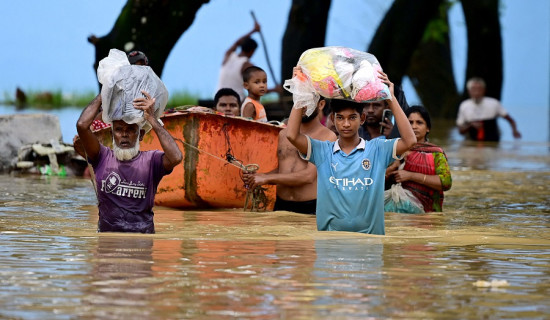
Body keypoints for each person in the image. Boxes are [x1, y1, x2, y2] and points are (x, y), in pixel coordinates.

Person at [286, 68, 416, 234]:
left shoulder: (377, 149)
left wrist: (390, 99)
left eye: (352, 118)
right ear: (332, 119)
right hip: (330, 246)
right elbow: (291, 135)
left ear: (361, 119)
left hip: (370, 244)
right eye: (340, 118)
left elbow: (410, 141)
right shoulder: (323, 151)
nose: (346, 124)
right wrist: (300, 90)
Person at [76, 92, 183, 233]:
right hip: (108, 240)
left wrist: (152, 119)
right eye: (119, 130)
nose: (124, 134)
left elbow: (176, 157)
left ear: (141, 135)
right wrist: (105, 93)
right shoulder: (101, 156)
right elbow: (82, 125)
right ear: (112, 134)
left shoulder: (152, 161)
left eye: (131, 129)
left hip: (142, 240)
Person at [242, 97, 337, 214]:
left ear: (321, 104)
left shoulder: (328, 137)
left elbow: (308, 176)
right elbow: (282, 170)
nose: (302, 106)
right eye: (299, 101)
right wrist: (257, 177)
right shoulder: (283, 134)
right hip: (281, 204)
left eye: (307, 101)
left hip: (310, 207)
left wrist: (266, 178)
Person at [385, 106, 452, 212]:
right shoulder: (394, 150)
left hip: (427, 215)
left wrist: (411, 176)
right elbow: (372, 182)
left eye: (419, 123)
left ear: (428, 128)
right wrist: (392, 168)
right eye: (410, 122)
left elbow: (446, 183)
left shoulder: (436, 153)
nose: (414, 126)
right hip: (397, 211)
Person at [456, 77, 521, 142]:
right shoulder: (464, 106)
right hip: (472, 141)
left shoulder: (494, 103)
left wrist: (514, 131)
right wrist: (471, 125)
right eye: (473, 89)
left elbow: (510, 120)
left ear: (484, 90)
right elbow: (460, 130)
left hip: (492, 140)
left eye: (479, 89)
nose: (476, 92)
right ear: (469, 91)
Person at [215, 22, 261, 102]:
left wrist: (253, 31)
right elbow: (257, 88)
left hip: (218, 99)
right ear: (252, 51)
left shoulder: (228, 56)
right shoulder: (247, 65)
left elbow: (237, 43)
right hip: (236, 101)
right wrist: (275, 90)